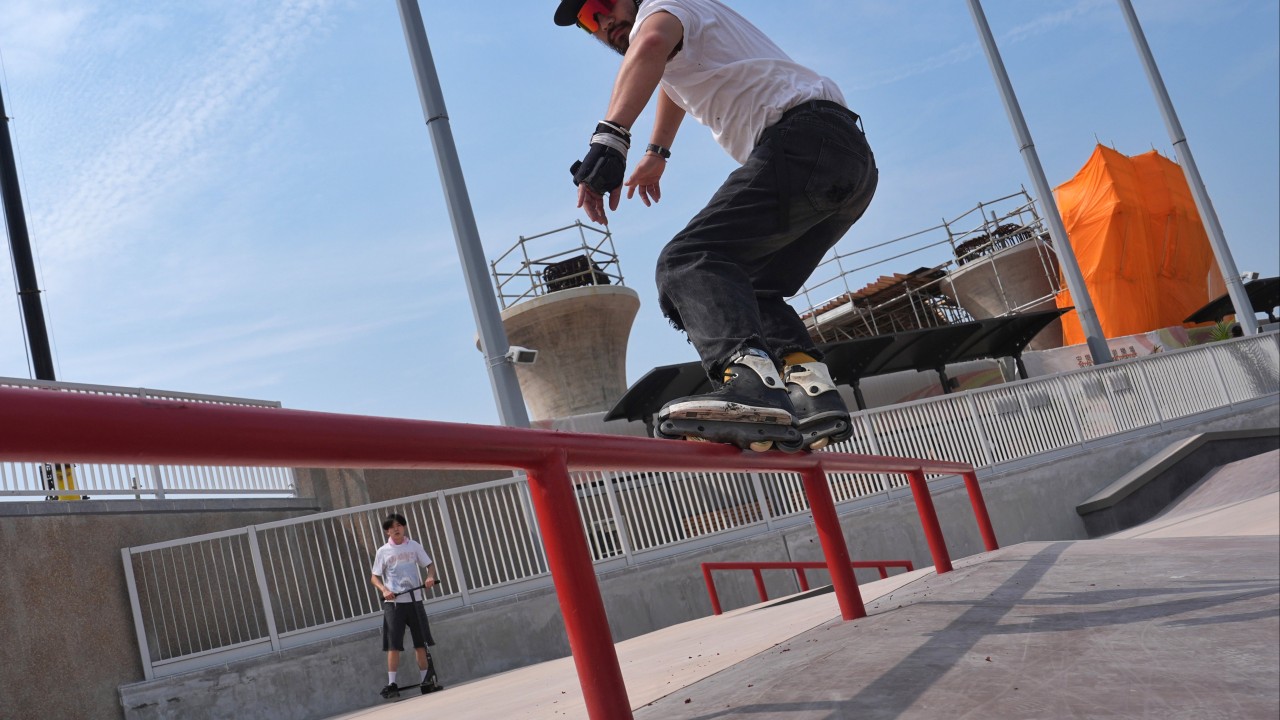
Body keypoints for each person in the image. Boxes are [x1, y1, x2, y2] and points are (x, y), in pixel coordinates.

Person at [555, 0, 878, 452]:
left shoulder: (660, 9)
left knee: (688, 261)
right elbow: (670, 79)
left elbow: (650, 43)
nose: (605, 20)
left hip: (805, 143)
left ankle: (750, 385)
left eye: (605, 3)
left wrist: (611, 137)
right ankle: (812, 392)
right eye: (591, 19)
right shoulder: (679, 29)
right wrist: (657, 152)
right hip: (848, 163)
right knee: (749, 286)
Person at [370, 513, 444, 698]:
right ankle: (392, 683)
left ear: (404, 527)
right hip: (394, 604)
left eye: (399, 525)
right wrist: (384, 590)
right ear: (387, 531)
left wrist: (429, 577)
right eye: (392, 527)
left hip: (415, 600)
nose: (396, 529)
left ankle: (426, 681)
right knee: (393, 644)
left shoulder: (414, 546)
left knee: (421, 642)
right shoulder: (383, 551)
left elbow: (429, 565)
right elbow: (374, 577)